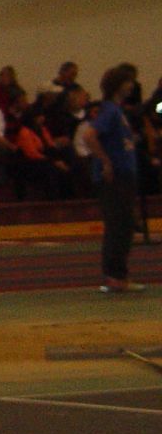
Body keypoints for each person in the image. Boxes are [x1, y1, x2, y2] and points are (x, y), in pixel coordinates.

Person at [82, 64, 143, 294]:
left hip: (123, 174)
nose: (132, 86)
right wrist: (106, 161)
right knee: (120, 225)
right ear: (119, 85)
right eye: (128, 82)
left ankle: (117, 274)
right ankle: (115, 276)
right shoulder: (110, 111)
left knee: (123, 224)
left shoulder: (117, 111)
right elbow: (90, 135)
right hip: (115, 177)